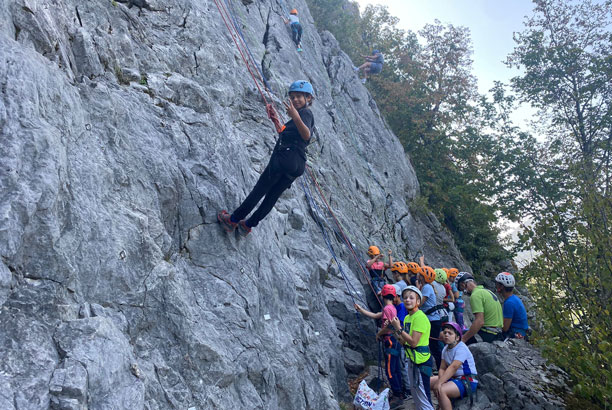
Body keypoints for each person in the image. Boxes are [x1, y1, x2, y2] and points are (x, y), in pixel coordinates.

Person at [218, 81, 315, 235]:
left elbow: (306, 134)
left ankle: (232, 220)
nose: (295, 100)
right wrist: (275, 118)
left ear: (308, 98)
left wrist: (295, 115)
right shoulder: (302, 116)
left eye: (299, 97)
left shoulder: (305, 114)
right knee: (272, 197)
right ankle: (248, 225)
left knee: (259, 191)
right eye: (292, 97)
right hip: (297, 164)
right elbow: (286, 133)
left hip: (284, 159)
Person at [355, 285, 404, 406]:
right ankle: (400, 392)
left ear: (382, 295)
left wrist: (379, 333)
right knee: (395, 368)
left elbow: (389, 326)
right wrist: (361, 310)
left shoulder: (387, 309)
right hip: (395, 340)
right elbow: (377, 315)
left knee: (390, 370)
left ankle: (397, 395)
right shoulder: (391, 307)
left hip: (390, 340)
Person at [390, 286, 434, 410]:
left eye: (411, 298)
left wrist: (399, 328)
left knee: (424, 397)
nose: (408, 300)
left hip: (421, 361)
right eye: (405, 298)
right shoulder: (409, 318)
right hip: (413, 360)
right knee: (417, 396)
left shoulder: (420, 317)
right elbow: (404, 342)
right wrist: (394, 330)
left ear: (418, 302)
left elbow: (414, 342)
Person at [430, 322, 478, 409]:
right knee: (428, 382)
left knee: (441, 390)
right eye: (445, 333)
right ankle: (438, 404)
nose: (446, 335)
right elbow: (442, 368)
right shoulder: (446, 349)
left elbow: (453, 367)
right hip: (454, 378)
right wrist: (441, 380)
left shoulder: (461, 348)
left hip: (467, 380)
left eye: (450, 333)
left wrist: (440, 383)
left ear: (457, 337)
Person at [456, 272, 503, 345]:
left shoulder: (475, 295)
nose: (463, 292)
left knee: (458, 337)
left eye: (461, 289)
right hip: (497, 332)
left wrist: (464, 339)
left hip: (487, 334)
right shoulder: (487, 291)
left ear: (463, 284)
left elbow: (480, 321)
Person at [418, 266, 443, 371]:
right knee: (433, 346)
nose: (417, 275)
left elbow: (420, 303)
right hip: (432, 320)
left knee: (433, 346)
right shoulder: (426, 286)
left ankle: (439, 368)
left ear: (423, 277)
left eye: (419, 274)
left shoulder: (427, 287)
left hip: (432, 320)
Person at [494, 272, 529, 340]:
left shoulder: (509, 303)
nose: (496, 285)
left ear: (502, 286)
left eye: (497, 284)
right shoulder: (514, 298)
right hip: (521, 332)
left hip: (515, 333)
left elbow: (505, 328)